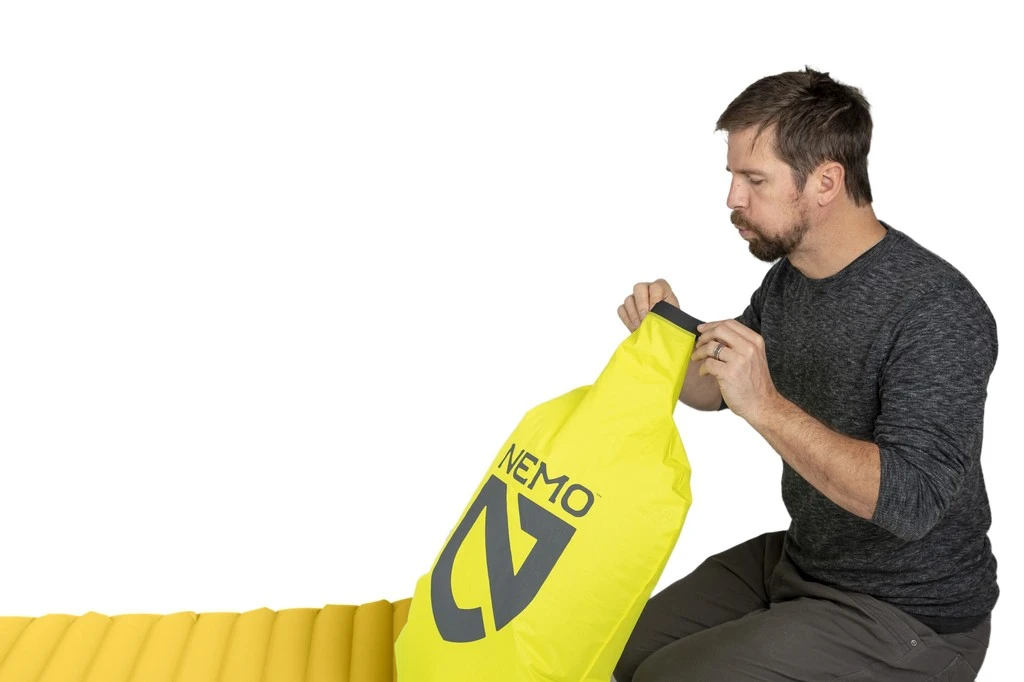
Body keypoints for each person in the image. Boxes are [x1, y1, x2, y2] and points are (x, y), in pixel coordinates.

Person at [612, 67, 998, 681]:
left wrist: (766, 405)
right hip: (803, 564)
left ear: (825, 181)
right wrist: (666, 338)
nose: (733, 198)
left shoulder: (936, 310)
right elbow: (714, 390)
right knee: (608, 646)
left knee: (669, 676)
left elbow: (912, 502)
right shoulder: (789, 280)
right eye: (733, 176)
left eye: (754, 179)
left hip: (910, 615)